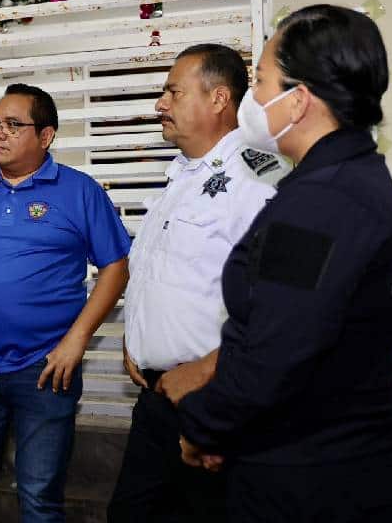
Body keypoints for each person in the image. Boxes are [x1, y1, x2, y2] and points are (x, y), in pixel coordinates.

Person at [177, 5, 392, 522]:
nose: (252, 98)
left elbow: (276, 352)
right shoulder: (355, 177)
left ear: (299, 101)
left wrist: (203, 425)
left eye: (262, 81)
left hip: (311, 483)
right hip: (336, 461)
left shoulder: (322, 201)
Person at [0, 83, 130, 522]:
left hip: (45, 371)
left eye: (13, 125)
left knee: (39, 498)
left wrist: (76, 341)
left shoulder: (79, 191)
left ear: (46, 136)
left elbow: (116, 268)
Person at [107, 44, 287, 522]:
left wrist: (210, 368)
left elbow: (285, 302)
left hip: (215, 400)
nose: (159, 104)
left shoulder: (258, 176)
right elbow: (164, 275)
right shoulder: (178, 179)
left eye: (172, 91)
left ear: (218, 99)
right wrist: (138, 341)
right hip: (157, 401)